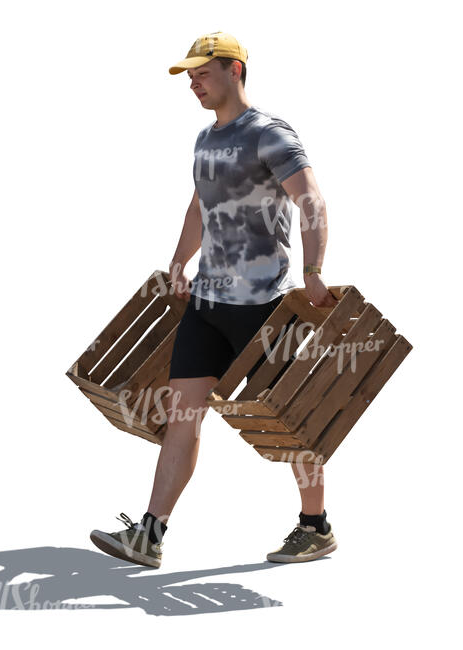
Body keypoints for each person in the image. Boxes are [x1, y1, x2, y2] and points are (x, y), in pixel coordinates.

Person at [90, 31, 339, 569]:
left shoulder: (268, 134)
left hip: (265, 305)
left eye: (203, 72)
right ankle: (150, 533)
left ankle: (315, 525)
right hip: (207, 303)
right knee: (183, 415)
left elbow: (311, 199)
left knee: (289, 420)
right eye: (191, 75)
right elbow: (199, 208)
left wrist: (314, 271)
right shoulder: (205, 140)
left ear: (235, 70)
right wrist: (179, 263)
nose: (194, 83)